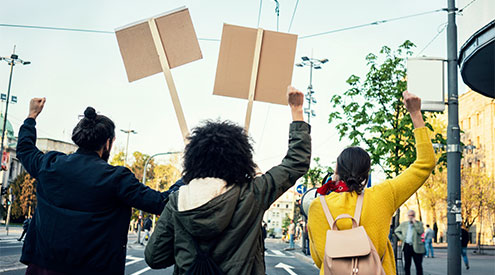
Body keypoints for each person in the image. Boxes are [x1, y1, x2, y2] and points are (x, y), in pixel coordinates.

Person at [144, 86, 311, 274]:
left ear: (193, 160)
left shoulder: (177, 201)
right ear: (241, 159)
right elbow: (295, 163)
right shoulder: (252, 194)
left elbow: (154, 257)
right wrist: (296, 111)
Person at [16, 98, 183, 274]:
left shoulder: (49, 164)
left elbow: (25, 149)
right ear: (108, 143)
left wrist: (32, 116)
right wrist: (189, 176)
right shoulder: (117, 178)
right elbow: (161, 202)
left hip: (42, 268)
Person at [307, 91, 435, 275]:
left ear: (336, 172)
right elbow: (426, 163)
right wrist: (415, 113)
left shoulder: (318, 206)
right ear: (366, 174)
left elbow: (319, 258)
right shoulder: (384, 195)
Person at [395, 210, 425, 275]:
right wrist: (402, 238)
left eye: (412, 215)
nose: (411, 217)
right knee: (407, 264)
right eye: (410, 215)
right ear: (408, 216)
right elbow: (396, 231)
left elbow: (420, 231)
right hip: (407, 246)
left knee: (418, 265)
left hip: (417, 247)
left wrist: (415, 223)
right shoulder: (404, 224)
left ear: (414, 216)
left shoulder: (419, 223)